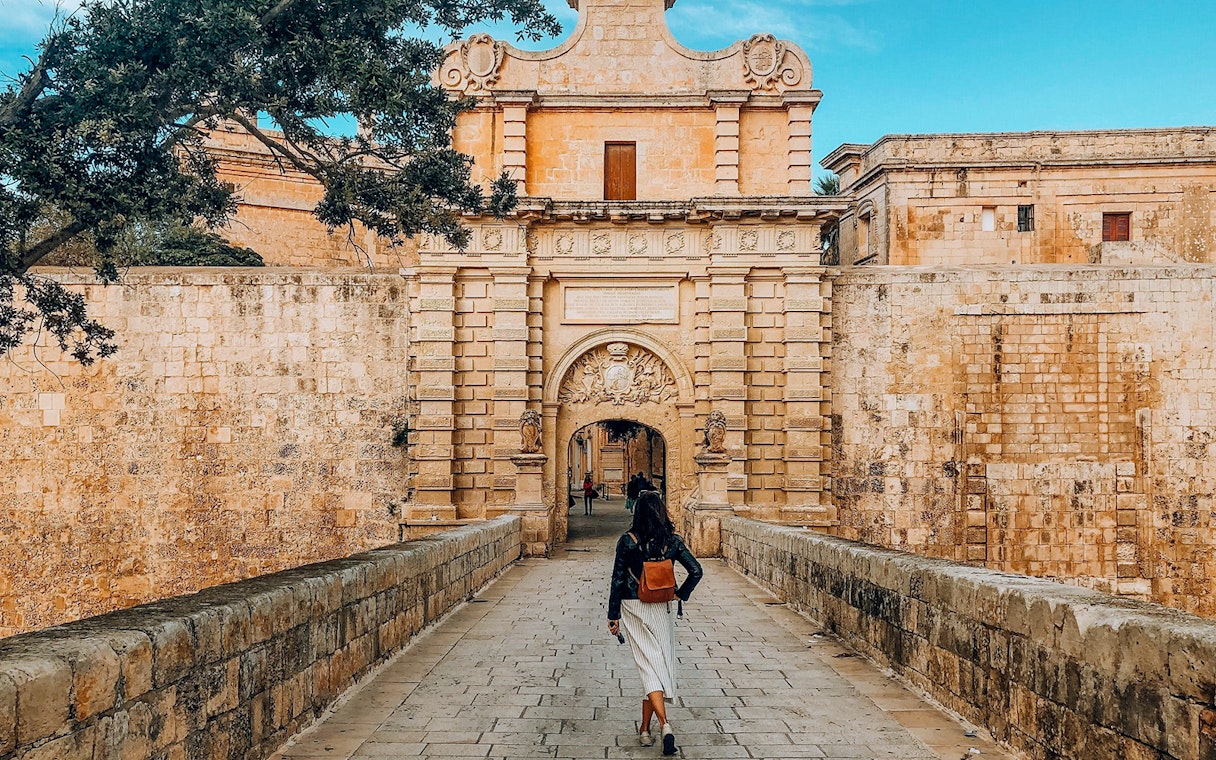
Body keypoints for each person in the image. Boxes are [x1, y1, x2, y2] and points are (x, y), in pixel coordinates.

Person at [607, 491, 703, 756]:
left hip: (632, 604)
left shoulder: (627, 541)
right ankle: (645, 729)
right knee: (656, 663)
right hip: (661, 606)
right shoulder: (671, 541)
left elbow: (617, 579)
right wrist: (680, 593)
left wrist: (612, 615)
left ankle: (664, 724)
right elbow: (696, 570)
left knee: (648, 665)